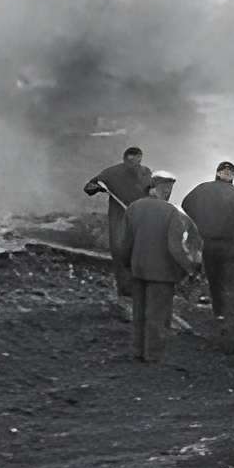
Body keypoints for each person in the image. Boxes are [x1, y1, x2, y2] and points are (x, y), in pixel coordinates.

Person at [121, 174, 198, 364]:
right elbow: (175, 247)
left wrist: (127, 264)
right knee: (157, 315)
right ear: (160, 189)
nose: (168, 193)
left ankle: (138, 352)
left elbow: (125, 243)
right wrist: (189, 268)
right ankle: (153, 357)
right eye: (167, 189)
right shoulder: (171, 212)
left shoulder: (133, 208)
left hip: (138, 269)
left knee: (139, 312)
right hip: (162, 274)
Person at [181, 161, 234, 325]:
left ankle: (219, 314)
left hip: (208, 244)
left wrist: (199, 221)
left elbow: (186, 204)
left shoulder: (202, 189)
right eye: (227, 172)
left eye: (230, 172)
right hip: (228, 246)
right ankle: (230, 317)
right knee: (230, 281)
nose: (228, 174)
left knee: (214, 280)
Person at [83, 146, 153, 308]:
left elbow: (153, 192)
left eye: (137, 161)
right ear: (124, 159)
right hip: (119, 219)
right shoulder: (111, 173)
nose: (133, 165)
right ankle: (125, 294)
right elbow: (88, 187)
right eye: (130, 162)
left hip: (141, 218)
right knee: (121, 252)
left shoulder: (146, 172)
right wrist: (96, 187)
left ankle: (143, 290)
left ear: (141, 159)